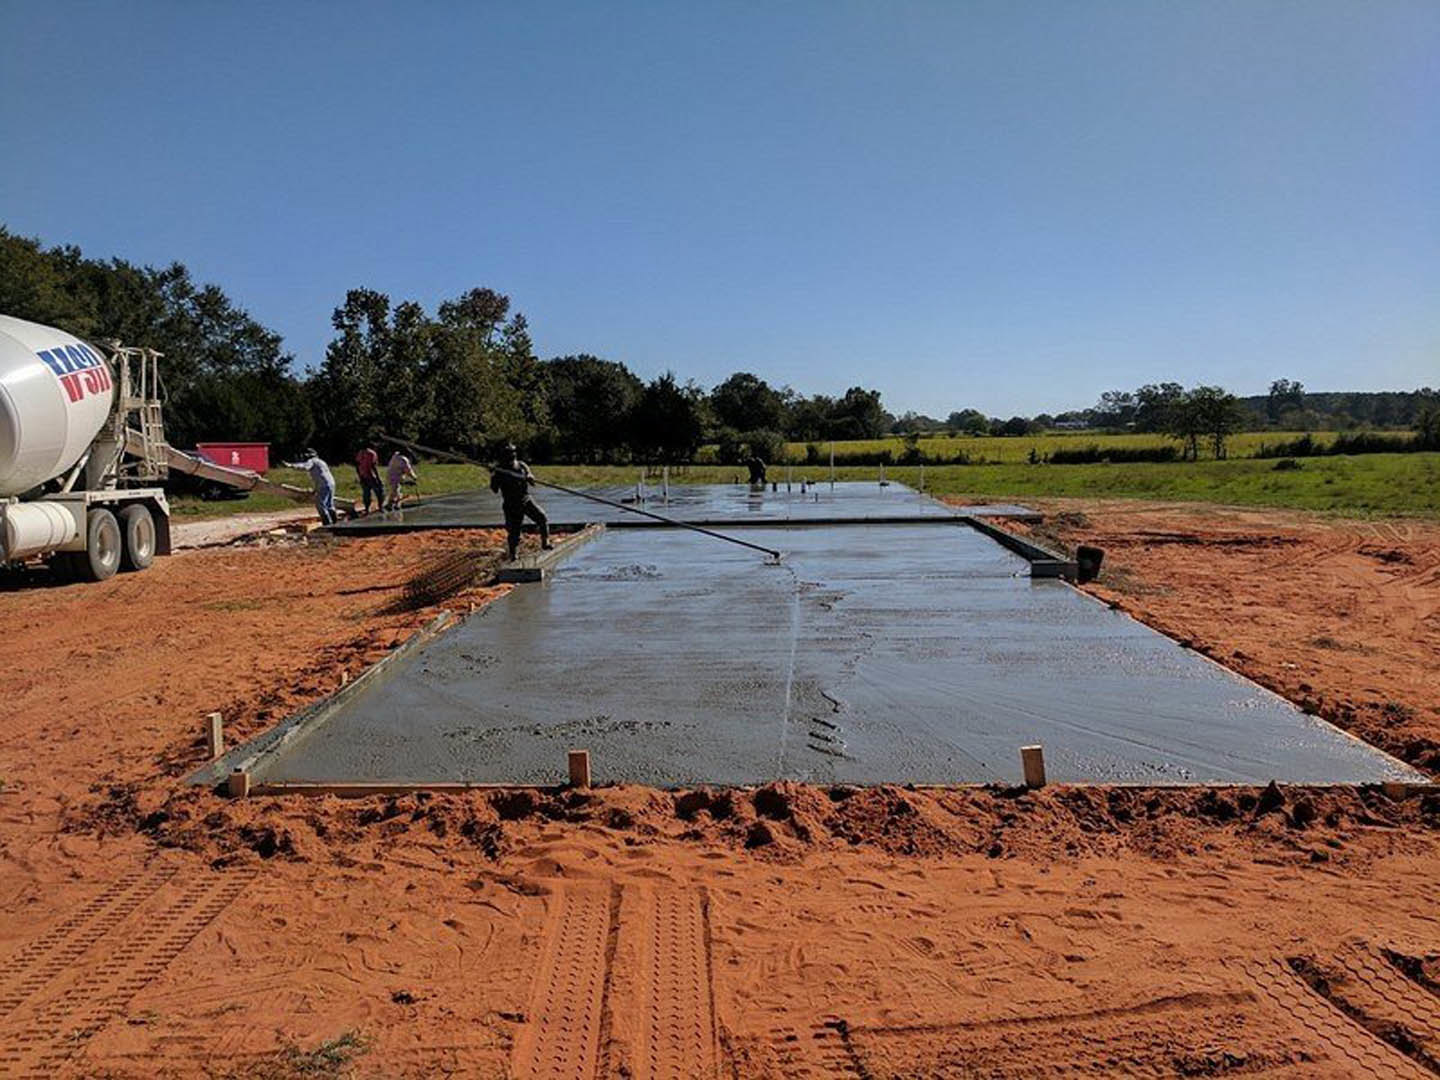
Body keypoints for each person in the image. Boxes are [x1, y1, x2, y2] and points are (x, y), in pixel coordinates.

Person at [490, 443, 550, 561]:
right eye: (509, 453)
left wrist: (530, 477)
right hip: (511, 504)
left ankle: (545, 542)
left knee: (542, 517)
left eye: (513, 452)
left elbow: (531, 478)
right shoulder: (499, 470)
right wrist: (493, 476)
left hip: (526, 500)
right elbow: (494, 490)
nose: (512, 455)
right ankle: (513, 555)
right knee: (514, 532)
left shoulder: (521, 465)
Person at [284, 448, 337, 525]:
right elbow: (321, 475)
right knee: (329, 504)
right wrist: (316, 490)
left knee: (320, 505)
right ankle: (335, 522)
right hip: (331, 483)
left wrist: (291, 465)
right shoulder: (321, 461)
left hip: (323, 485)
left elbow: (305, 467)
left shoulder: (312, 461)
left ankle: (327, 523)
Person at [354, 442, 384, 514]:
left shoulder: (360, 453)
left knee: (366, 493)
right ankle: (381, 507)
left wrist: (360, 475)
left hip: (363, 475)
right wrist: (378, 477)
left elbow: (357, 464)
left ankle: (367, 508)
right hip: (371, 475)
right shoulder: (372, 453)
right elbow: (373, 466)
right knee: (379, 491)